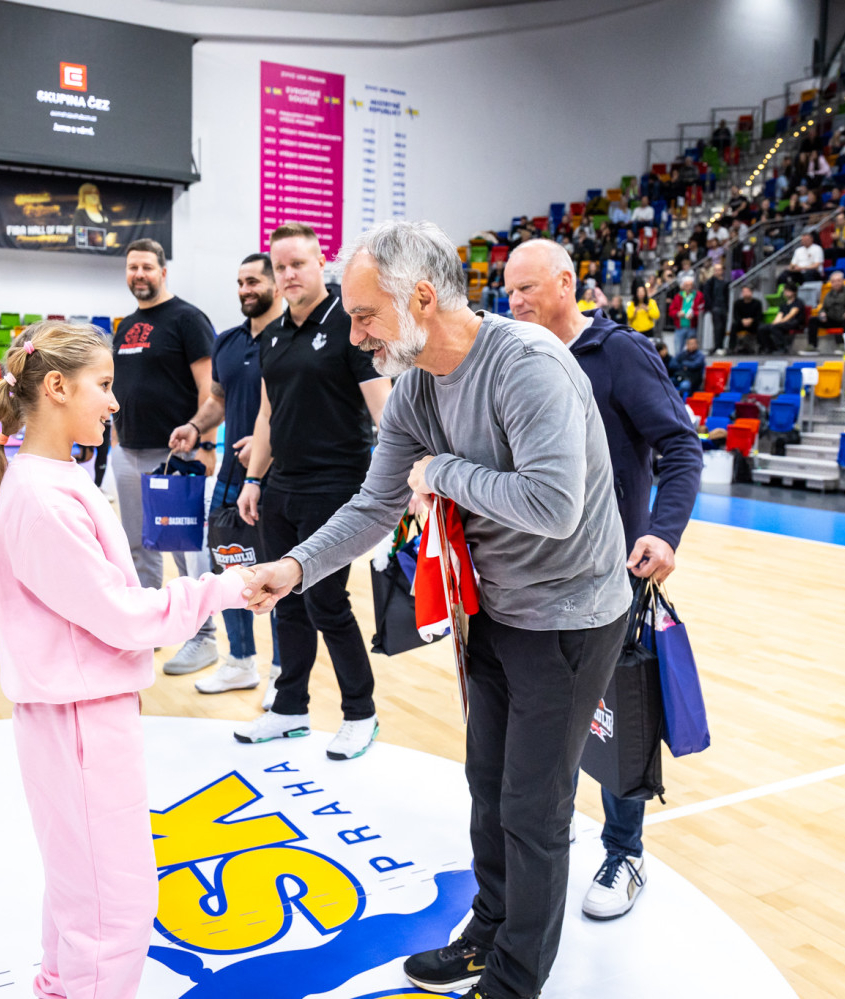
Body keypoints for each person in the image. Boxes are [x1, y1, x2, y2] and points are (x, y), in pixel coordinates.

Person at [242, 220, 631, 999]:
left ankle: (516, 979)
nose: (356, 334)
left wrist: (442, 470)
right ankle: (489, 929)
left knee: (532, 805)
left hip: (570, 615)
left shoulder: (526, 365)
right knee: (487, 785)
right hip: (490, 607)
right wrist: (295, 565)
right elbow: (375, 503)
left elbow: (553, 506)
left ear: (420, 297)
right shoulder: (417, 383)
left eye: (364, 316)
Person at [0, 322, 251, 999]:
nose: (114, 401)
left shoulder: (52, 477)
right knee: (112, 905)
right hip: (78, 716)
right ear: (57, 386)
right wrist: (226, 588)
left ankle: (60, 986)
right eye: (103, 385)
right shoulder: (43, 497)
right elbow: (122, 615)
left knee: (82, 887)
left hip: (79, 708)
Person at [504, 239, 701, 921]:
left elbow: (680, 446)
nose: (515, 301)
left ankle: (625, 851)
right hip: (530, 574)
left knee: (616, 715)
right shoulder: (516, 355)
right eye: (509, 290)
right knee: (539, 716)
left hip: (610, 577)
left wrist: (663, 531)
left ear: (566, 284)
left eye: (528, 288)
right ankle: (545, 831)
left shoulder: (618, 354)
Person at [233, 222, 392, 760]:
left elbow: (384, 407)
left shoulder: (350, 322)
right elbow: (267, 415)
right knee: (284, 604)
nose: (289, 274)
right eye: (280, 267)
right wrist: (254, 479)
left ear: (321, 262)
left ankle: (361, 714)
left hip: (336, 488)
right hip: (282, 487)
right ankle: (289, 709)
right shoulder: (273, 334)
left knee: (326, 603)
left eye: (298, 263)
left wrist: (400, 478)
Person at [169, 253, 284, 702]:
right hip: (232, 478)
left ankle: (283, 674)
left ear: (276, 284)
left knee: (280, 574)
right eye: (240, 282)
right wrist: (195, 426)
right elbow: (217, 400)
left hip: (279, 475)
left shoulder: (289, 339)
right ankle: (239, 662)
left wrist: (268, 442)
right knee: (229, 566)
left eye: (253, 281)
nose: (245, 290)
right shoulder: (228, 341)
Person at [111, 239, 220, 675]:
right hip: (129, 450)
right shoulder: (125, 327)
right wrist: (115, 437)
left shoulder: (187, 319)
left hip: (175, 455)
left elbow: (211, 388)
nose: (139, 274)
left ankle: (203, 637)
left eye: (146, 267)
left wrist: (206, 444)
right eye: (132, 267)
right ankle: (150, 630)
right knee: (137, 547)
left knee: (184, 551)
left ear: (163, 271)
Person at [804, 269, 845, 351]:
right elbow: (823, 308)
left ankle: (842, 345)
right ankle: (812, 346)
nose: (836, 283)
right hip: (831, 320)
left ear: (843, 281)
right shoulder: (828, 294)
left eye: (838, 281)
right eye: (833, 281)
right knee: (813, 320)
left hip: (843, 319)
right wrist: (822, 313)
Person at [758, 284, 803, 354]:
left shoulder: (798, 302)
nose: (786, 293)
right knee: (762, 328)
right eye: (785, 291)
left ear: (794, 292)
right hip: (783, 323)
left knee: (775, 327)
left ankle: (782, 347)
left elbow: (790, 315)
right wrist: (774, 323)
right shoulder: (784, 304)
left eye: (788, 291)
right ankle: (770, 347)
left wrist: (778, 323)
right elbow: (779, 315)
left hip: (794, 322)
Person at [71, 182, 117, 248]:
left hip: (106, 252)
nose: (94, 196)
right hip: (87, 252)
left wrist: (113, 237)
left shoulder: (104, 214)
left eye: (96, 193)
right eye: (89, 194)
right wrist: (99, 240)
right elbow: (80, 237)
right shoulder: (80, 215)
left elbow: (112, 232)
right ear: (83, 197)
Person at [669, 274, 704, 352]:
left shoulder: (698, 295)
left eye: (690, 285)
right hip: (680, 327)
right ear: (683, 286)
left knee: (692, 350)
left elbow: (702, 310)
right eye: (686, 285)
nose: (688, 287)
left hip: (692, 327)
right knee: (678, 349)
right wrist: (677, 313)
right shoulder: (678, 296)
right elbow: (671, 310)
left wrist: (694, 314)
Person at [701, 262, 729, 353]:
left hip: (724, 307)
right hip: (715, 307)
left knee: (724, 327)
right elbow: (707, 295)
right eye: (716, 270)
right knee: (718, 327)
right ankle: (717, 346)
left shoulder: (725, 282)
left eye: (719, 270)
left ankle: (722, 345)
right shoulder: (710, 282)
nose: (717, 272)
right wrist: (711, 306)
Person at [729, 284, 764, 353]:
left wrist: (751, 320)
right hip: (741, 323)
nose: (745, 293)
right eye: (743, 292)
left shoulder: (757, 303)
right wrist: (742, 321)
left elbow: (759, 316)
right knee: (734, 325)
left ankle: (761, 347)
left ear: (751, 292)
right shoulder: (737, 303)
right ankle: (731, 348)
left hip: (753, 324)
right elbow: (736, 316)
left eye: (747, 291)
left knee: (761, 327)